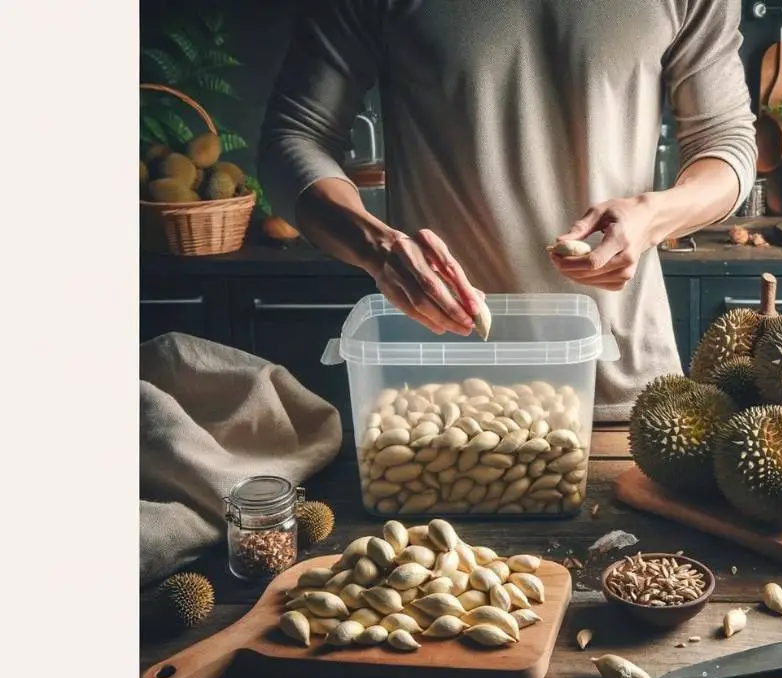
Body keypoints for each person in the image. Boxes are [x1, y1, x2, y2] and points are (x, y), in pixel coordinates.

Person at [259, 0, 756, 421]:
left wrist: (652, 217)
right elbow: (293, 136)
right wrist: (377, 247)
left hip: (621, 392)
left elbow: (728, 143)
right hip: (439, 399)